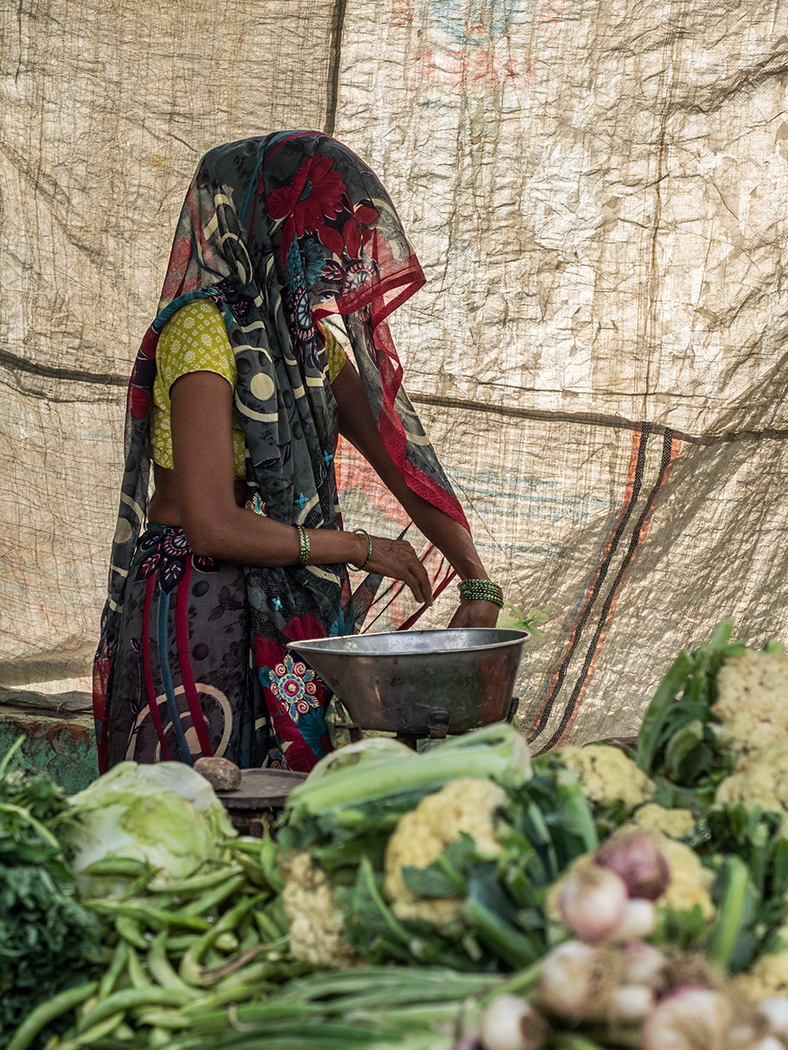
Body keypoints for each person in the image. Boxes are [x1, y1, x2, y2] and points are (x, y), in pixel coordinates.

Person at [93, 131, 504, 774]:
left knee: (285, 805)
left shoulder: (307, 344)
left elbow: (402, 459)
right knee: (202, 805)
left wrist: (476, 577)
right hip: (198, 611)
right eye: (329, 231)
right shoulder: (200, 329)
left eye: (353, 235)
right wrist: (362, 549)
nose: (342, 260)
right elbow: (212, 523)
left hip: (280, 605)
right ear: (273, 226)